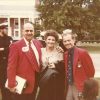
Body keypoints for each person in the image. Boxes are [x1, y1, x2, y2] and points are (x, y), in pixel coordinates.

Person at [7, 22, 42, 100]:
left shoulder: (38, 43)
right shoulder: (16, 46)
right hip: (22, 83)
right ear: (23, 32)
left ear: (34, 31)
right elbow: (11, 66)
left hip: (35, 81)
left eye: (31, 30)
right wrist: (11, 84)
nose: (29, 33)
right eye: (27, 31)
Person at [62, 29, 95, 100]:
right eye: (65, 41)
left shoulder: (82, 53)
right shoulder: (65, 54)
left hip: (81, 86)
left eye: (69, 40)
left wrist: (85, 86)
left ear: (73, 40)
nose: (67, 43)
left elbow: (91, 72)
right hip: (69, 85)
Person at [36, 30, 65, 100]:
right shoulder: (40, 51)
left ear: (55, 41)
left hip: (56, 83)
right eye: (49, 39)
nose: (51, 41)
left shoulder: (59, 51)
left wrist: (56, 66)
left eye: (53, 40)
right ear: (45, 40)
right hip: (44, 81)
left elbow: (63, 68)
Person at [0, 24, 13, 100]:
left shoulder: (9, 38)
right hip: (0, 64)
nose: (6, 30)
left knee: (9, 82)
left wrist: (2, 49)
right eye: (5, 29)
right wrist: (6, 49)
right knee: (2, 83)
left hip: (8, 63)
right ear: (1, 29)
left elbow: (11, 49)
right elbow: (8, 48)